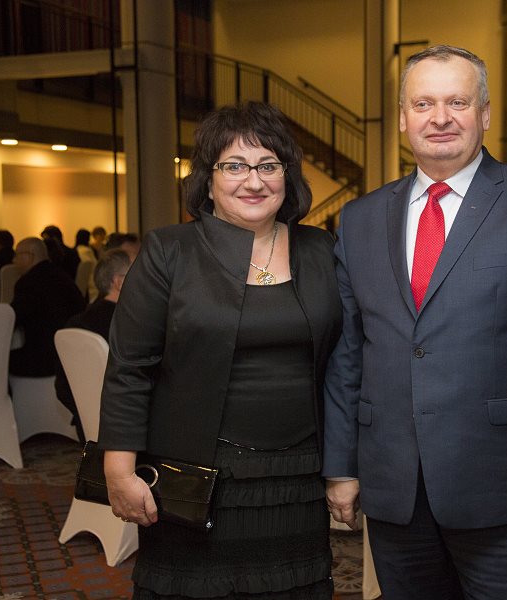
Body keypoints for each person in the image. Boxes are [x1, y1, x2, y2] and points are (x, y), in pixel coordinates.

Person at [323, 45, 507, 600]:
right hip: (395, 488)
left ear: (484, 114)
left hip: (506, 491)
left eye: (457, 102)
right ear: (403, 117)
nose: (440, 117)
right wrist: (342, 466)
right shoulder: (359, 219)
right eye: (423, 104)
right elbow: (348, 354)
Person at [98, 102, 342, 600]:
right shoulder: (169, 251)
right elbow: (129, 368)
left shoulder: (322, 250)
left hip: (297, 477)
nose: (253, 181)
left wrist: (345, 466)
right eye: (234, 166)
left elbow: (343, 365)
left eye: (268, 165)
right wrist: (118, 469)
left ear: (287, 176)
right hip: (196, 475)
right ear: (208, 181)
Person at [54, 248, 130, 442]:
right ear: (119, 283)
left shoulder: (76, 323)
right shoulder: (131, 326)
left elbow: (62, 386)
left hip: (87, 427)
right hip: (128, 430)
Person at [9, 237, 86, 377]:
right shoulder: (64, 276)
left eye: (17, 255)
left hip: (44, 359)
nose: (14, 260)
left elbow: (14, 319)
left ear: (29, 256)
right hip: (72, 354)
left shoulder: (27, 283)